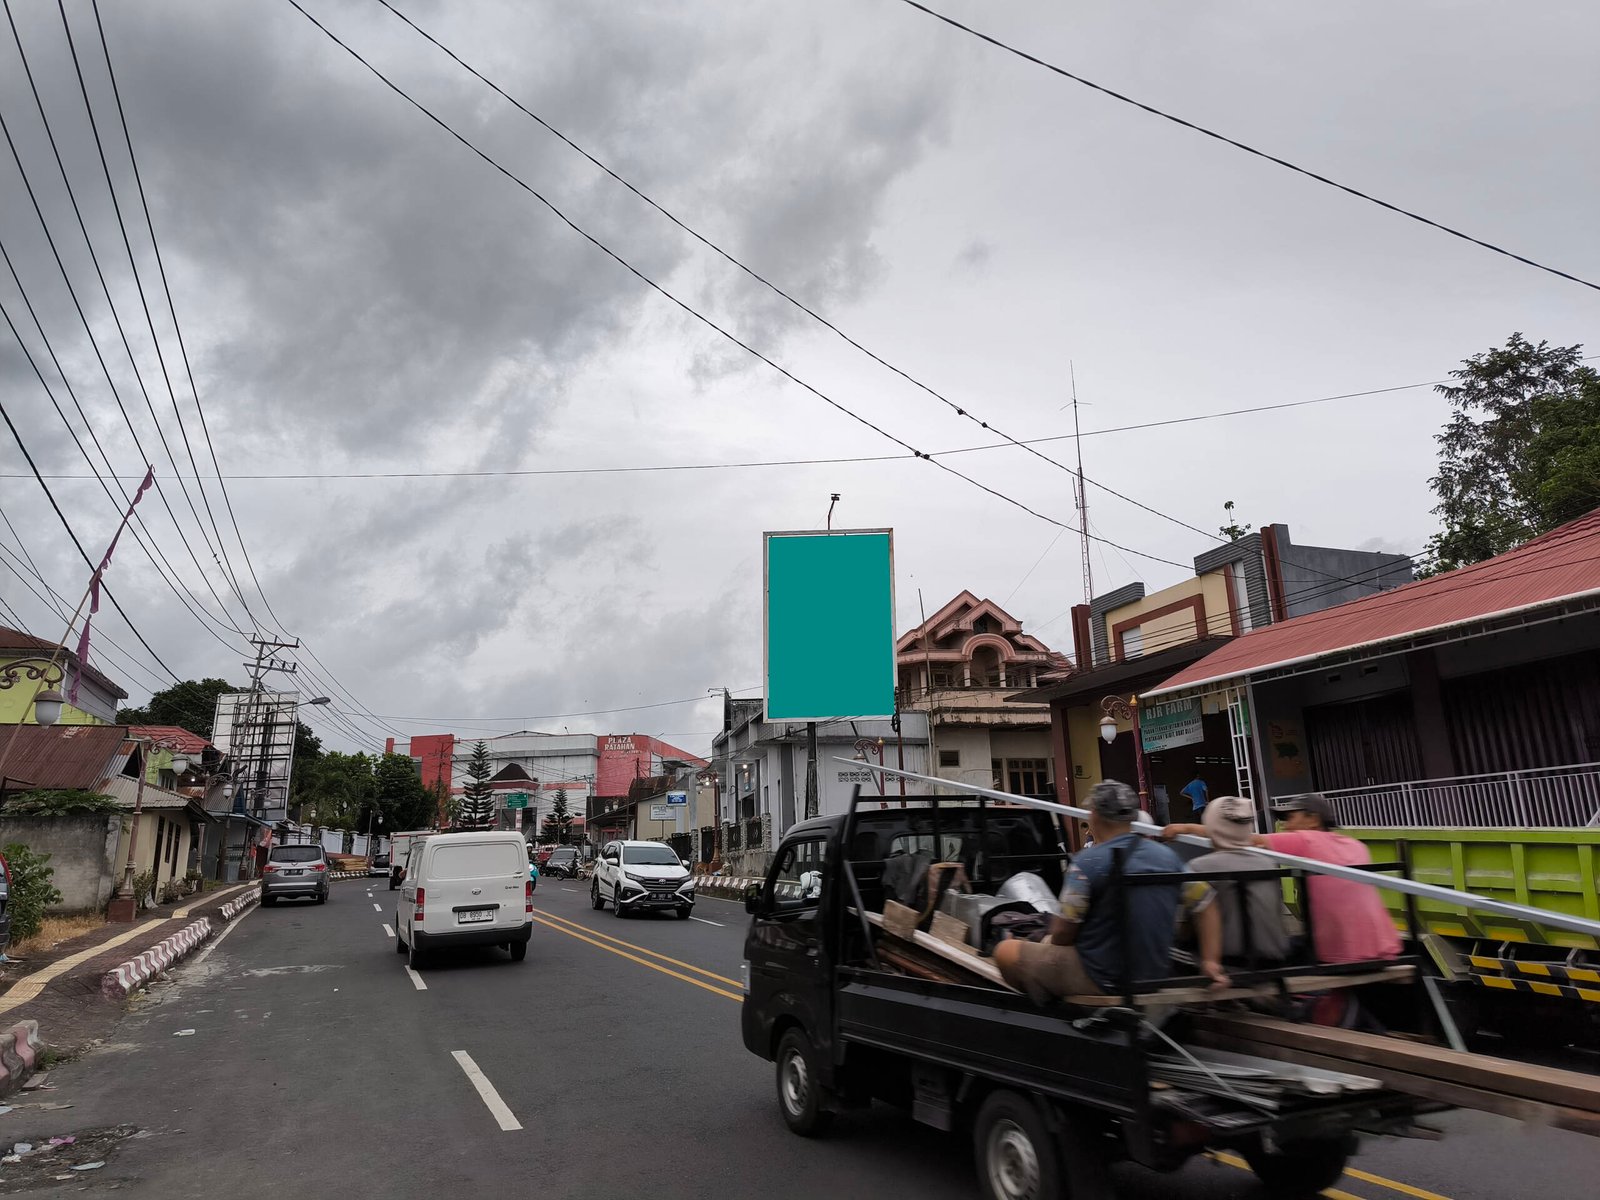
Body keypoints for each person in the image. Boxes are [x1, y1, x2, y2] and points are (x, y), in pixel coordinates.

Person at [994, 780, 1228, 1003]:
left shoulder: (1087, 863)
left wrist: (1050, 942)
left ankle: (1054, 1008)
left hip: (1103, 976)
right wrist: (1210, 961)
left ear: (1094, 815)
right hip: (1155, 972)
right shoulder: (1167, 857)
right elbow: (1206, 904)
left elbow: (1064, 933)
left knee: (1007, 951)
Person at [1165, 793, 1397, 965]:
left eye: (1290, 817)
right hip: (1383, 945)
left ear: (1312, 820)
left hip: (1340, 951)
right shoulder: (1356, 845)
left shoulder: (1304, 839)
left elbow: (1238, 835)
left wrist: (1184, 827)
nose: (1284, 824)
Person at [1173, 796, 1292, 966]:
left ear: (1212, 826)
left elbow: (1187, 929)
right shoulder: (1268, 863)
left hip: (1229, 961)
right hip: (1274, 959)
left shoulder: (1199, 867)